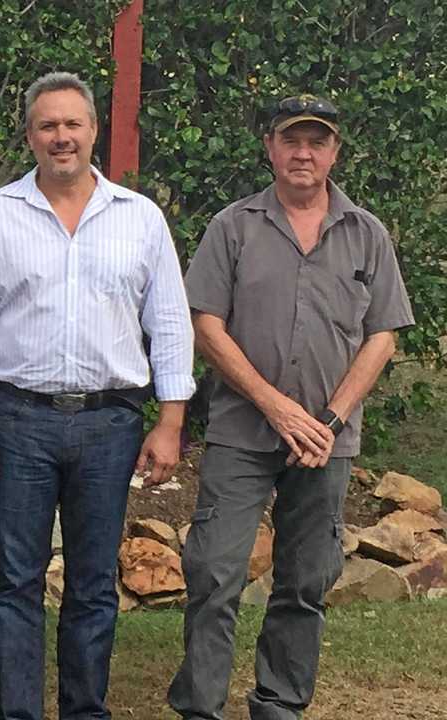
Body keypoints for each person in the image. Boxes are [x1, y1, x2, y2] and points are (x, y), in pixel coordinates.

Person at [0, 71, 195, 720]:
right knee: (17, 583)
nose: (62, 137)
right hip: (15, 421)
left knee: (92, 587)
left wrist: (169, 422)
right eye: (48, 125)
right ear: (30, 135)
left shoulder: (139, 219)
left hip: (108, 424)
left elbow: (169, 322)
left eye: (73, 124)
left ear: (93, 131)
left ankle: (85, 711)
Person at [168, 95, 414, 720]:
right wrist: (275, 406)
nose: (303, 153)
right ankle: (200, 708)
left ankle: (279, 704)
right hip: (241, 434)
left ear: (334, 152)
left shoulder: (367, 234)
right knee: (214, 575)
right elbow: (206, 324)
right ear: (270, 147)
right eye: (290, 139)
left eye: (317, 141)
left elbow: (382, 334)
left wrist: (328, 418)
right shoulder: (234, 226)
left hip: (328, 442)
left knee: (305, 583)